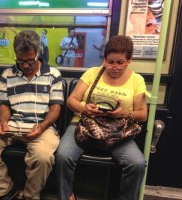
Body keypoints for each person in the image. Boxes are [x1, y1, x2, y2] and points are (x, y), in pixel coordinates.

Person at [0, 30, 64, 200]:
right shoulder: (7, 74)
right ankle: (6, 191)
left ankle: (30, 196)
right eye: (20, 61)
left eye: (30, 60)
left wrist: (42, 126)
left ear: (39, 53)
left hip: (42, 126)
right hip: (13, 123)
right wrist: (3, 121)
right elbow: (3, 104)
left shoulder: (53, 74)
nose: (25, 65)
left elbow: (55, 108)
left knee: (43, 156)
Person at [56, 35, 148, 200]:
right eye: (110, 62)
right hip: (83, 125)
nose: (114, 67)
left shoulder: (137, 80)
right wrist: (84, 108)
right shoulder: (92, 73)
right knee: (63, 156)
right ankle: (67, 196)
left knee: (137, 163)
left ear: (129, 60)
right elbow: (71, 100)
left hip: (118, 130)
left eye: (120, 62)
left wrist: (123, 113)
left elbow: (142, 114)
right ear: (104, 59)